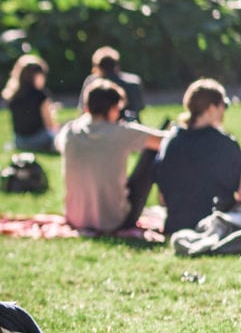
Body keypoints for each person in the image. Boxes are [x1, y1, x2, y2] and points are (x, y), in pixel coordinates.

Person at [155, 78, 241, 234]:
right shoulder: (225, 143)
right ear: (211, 108)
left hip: (176, 224)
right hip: (217, 223)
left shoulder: (169, 142)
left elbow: (162, 199)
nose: (224, 110)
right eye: (224, 105)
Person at [55, 79, 166, 233]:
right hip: (114, 221)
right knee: (151, 152)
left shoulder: (69, 130)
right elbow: (164, 141)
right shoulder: (122, 133)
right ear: (113, 108)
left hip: (75, 218)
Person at [1, 54, 58, 152]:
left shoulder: (13, 95)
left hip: (19, 141)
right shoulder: (40, 95)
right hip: (39, 140)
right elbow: (50, 125)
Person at [77, 46, 145, 122]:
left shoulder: (92, 83)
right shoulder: (133, 82)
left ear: (97, 67)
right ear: (116, 66)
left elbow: (83, 110)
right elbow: (139, 108)